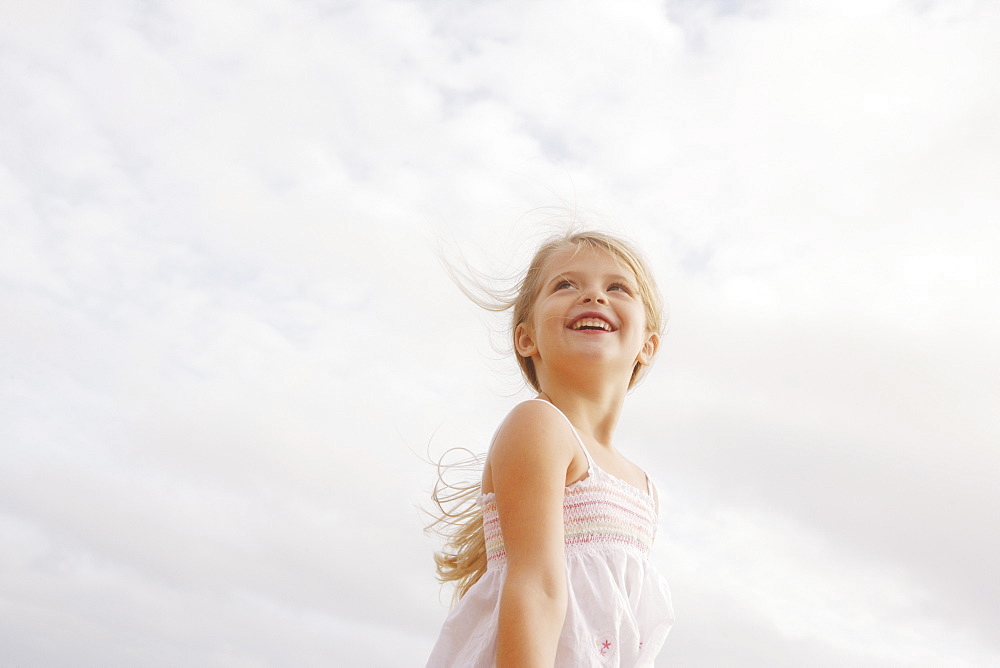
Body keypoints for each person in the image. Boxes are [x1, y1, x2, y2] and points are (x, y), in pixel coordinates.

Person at [426, 229, 674, 667]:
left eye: (617, 287)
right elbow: (537, 587)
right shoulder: (540, 425)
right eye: (566, 285)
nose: (594, 297)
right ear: (526, 338)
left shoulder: (643, 489)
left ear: (647, 347)